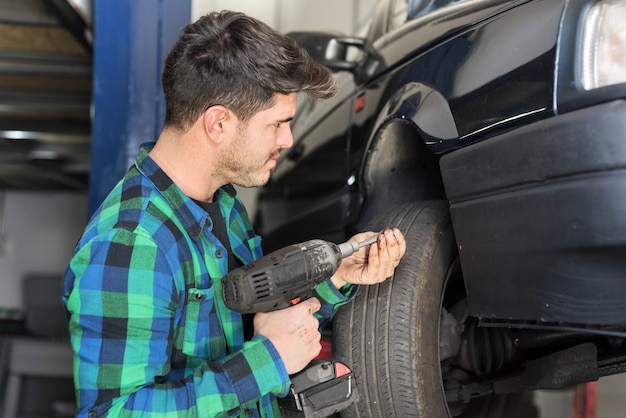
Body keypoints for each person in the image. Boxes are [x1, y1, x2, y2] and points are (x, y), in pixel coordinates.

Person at [62, 10, 406, 418]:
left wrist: (338, 276)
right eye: (277, 124)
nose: (288, 140)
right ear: (218, 123)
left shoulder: (222, 204)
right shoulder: (133, 241)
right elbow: (113, 413)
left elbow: (250, 324)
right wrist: (267, 361)